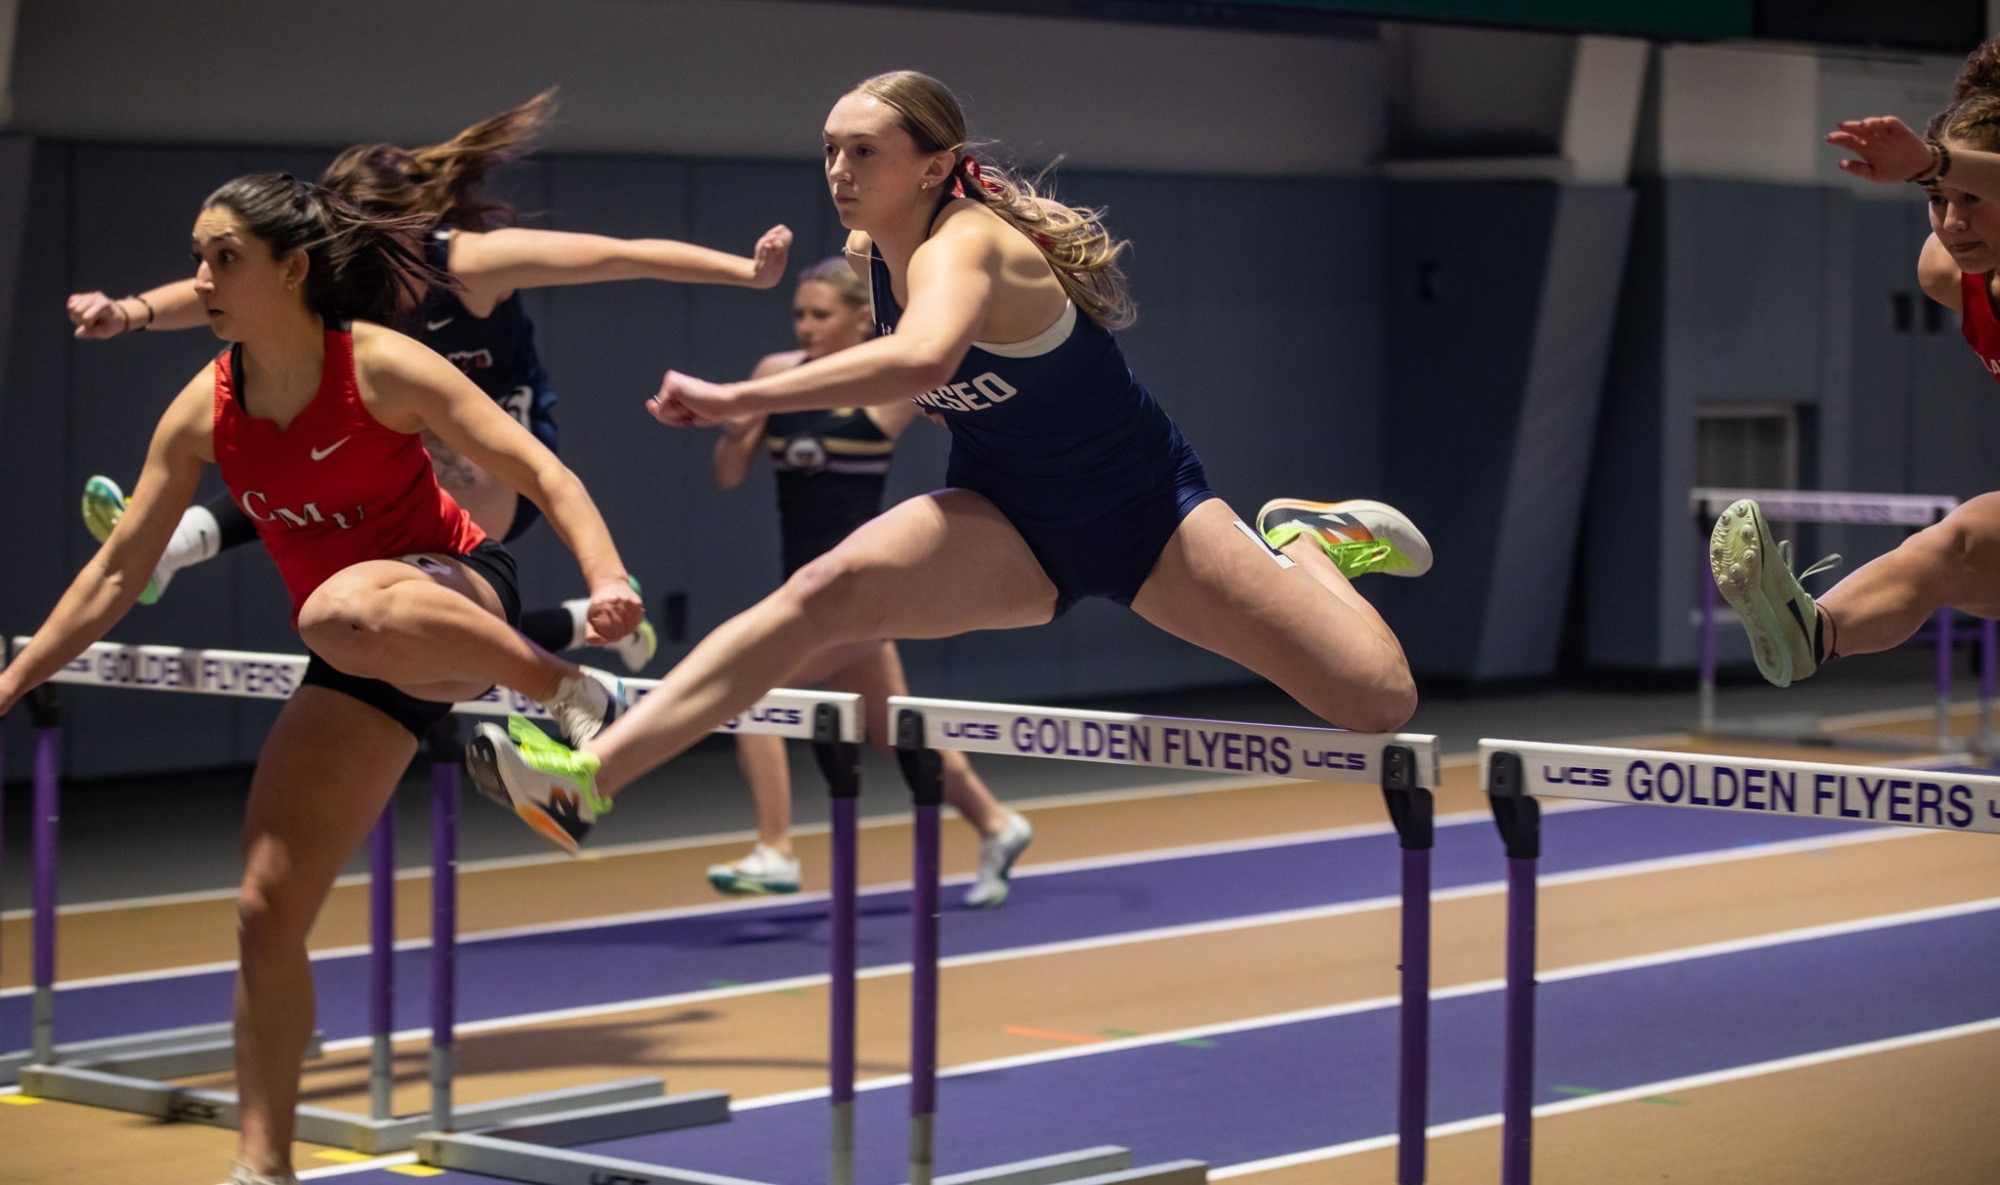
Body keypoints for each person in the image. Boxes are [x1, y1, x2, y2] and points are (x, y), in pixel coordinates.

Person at [461, 69, 1429, 857]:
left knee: (1377, 701)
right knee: (822, 592)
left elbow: (924, 360)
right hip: (1005, 516)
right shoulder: (867, 254)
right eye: (829, 149)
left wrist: (740, 397)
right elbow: (932, 375)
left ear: (934, 166)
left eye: (864, 151)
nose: (839, 169)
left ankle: (1305, 541)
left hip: (1146, 516)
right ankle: (584, 782)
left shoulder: (969, 245)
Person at [0, 173, 644, 1185]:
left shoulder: (382, 366)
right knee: (265, 909)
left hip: (456, 592)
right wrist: (13, 677)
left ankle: (565, 691)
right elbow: (119, 571)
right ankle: (264, 1168)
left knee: (337, 606)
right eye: (197, 257)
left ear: (293, 269)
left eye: (225, 259)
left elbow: (543, 474)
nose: (202, 279)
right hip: (359, 651)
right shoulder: (204, 409)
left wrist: (606, 579)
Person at [66, 90, 791, 672]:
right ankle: (572, 627)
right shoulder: (339, 279)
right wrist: (128, 312)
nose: (364, 267)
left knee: (357, 472)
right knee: (307, 460)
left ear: (415, 228)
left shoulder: (472, 265)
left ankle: (180, 542)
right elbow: (225, 287)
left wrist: (745, 272)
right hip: (409, 459)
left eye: (376, 247)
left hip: (499, 464)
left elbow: (620, 255)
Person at [704, 256, 1032, 906]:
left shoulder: (889, 385)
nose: (805, 326)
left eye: (820, 314)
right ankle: (998, 823)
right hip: (806, 588)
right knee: (892, 731)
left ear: (861, 318)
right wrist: (737, 425)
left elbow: (960, 392)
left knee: (747, 695)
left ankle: (776, 849)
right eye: (799, 314)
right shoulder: (775, 375)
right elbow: (727, 474)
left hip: (860, 595)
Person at [1712, 37, 2000, 685]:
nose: (1953, 222)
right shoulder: (1946, 274)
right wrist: (1942, 171)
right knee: (1947, 548)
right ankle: (1813, 630)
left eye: (1972, 198)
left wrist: (1931, 162)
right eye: (1938, 200)